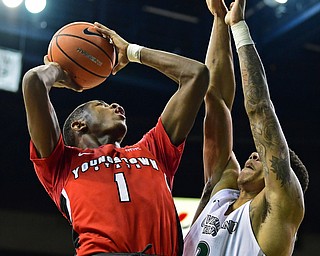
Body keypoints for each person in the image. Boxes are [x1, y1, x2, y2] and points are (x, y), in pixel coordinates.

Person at [22, 22, 209, 255]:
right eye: (102, 105)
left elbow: (197, 75)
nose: (116, 105)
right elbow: (33, 81)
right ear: (79, 124)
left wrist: (132, 52)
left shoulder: (153, 149)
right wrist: (59, 70)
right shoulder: (60, 164)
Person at [183, 0, 309, 255]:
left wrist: (239, 27)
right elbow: (215, 98)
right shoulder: (223, 191)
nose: (254, 154)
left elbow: (260, 109)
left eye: (262, 157)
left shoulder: (279, 209)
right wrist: (219, 20)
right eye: (255, 153)